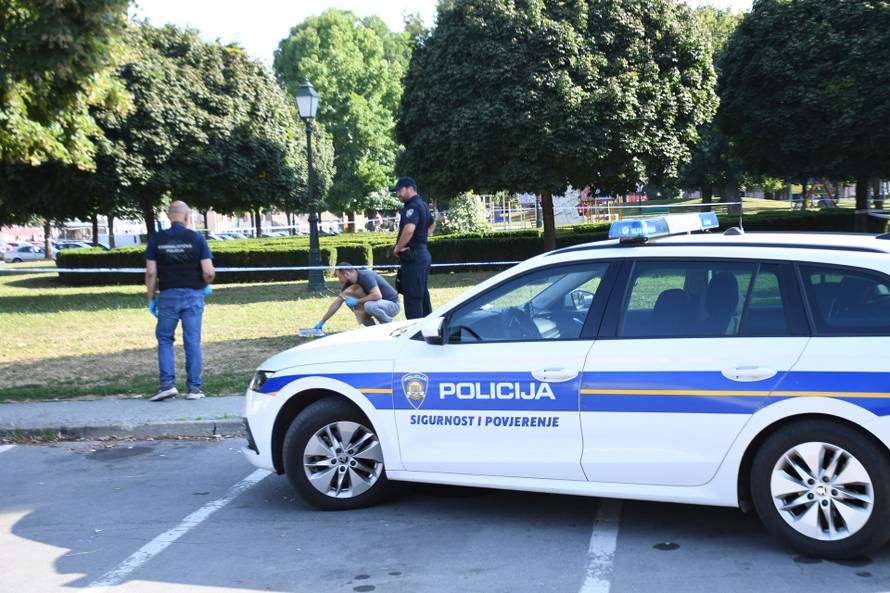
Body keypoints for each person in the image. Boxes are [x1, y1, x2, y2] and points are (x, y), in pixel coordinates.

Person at [144, 201, 215, 402]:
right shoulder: (197, 238)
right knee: (192, 341)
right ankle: (194, 389)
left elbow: (151, 273)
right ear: (186, 217)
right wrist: (205, 284)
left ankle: (167, 385)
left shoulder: (156, 239)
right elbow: (209, 271)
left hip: (167, 296)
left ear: (169, 216)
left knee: (165, 339)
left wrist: (151, 299)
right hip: (193, 295)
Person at [391, 177, 435, 319]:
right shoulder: (422, 204)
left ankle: (415, 333)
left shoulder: (412, 207)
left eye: (399, 190)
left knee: (412, 297)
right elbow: (432, 224)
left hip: (414, 256)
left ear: (410, 188)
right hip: (422, 253)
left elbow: (409, 229)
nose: (398, 194)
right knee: (422, 294)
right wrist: (423, 237)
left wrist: (398, 247)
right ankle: (428, 327)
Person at [314, 262, 401, 330]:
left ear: (347, 274)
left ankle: (389, 325)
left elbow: (377, 295)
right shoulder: (349, 284)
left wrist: (357, 301)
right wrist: (322, 322)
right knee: (352, 303)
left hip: (393, 305)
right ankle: (372, 329)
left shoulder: (365, 276)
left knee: (368, 305)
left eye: (340, 277)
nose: (339, 280)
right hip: (378, 305)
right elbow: (337, 303)